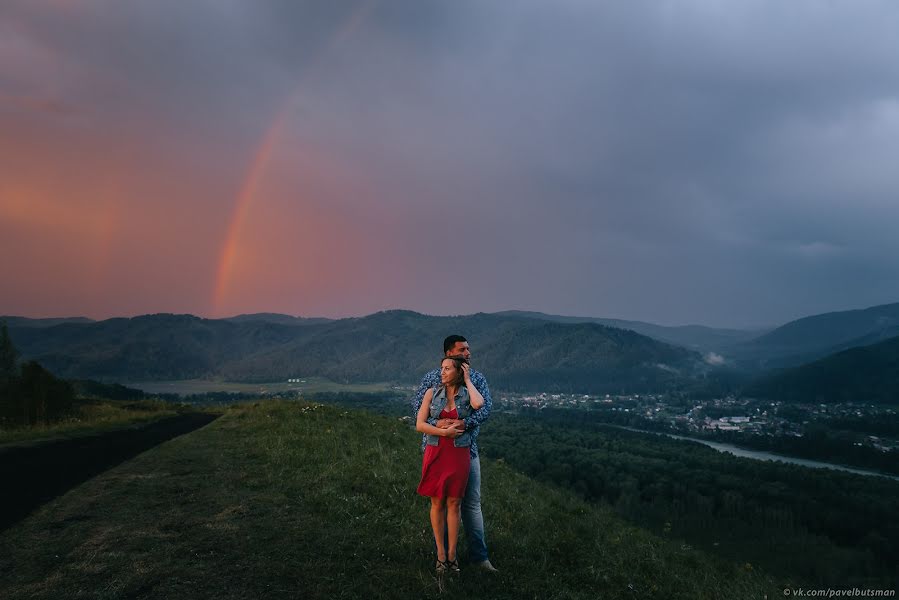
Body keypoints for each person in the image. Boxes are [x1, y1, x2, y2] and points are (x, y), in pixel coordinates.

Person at [411, 335, 498, 572]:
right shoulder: (432, 378)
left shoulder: (477, 378)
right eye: (463, 349)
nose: (468, 353)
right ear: (450, 353)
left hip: (466, 450)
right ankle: (447, 557)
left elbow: (485, 409)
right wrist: (439, 425)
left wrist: (462, 423)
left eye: (469, 349)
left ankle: (480, 558)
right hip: (436, 449)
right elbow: (417, 409)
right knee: (442, 503)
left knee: (469, 504)